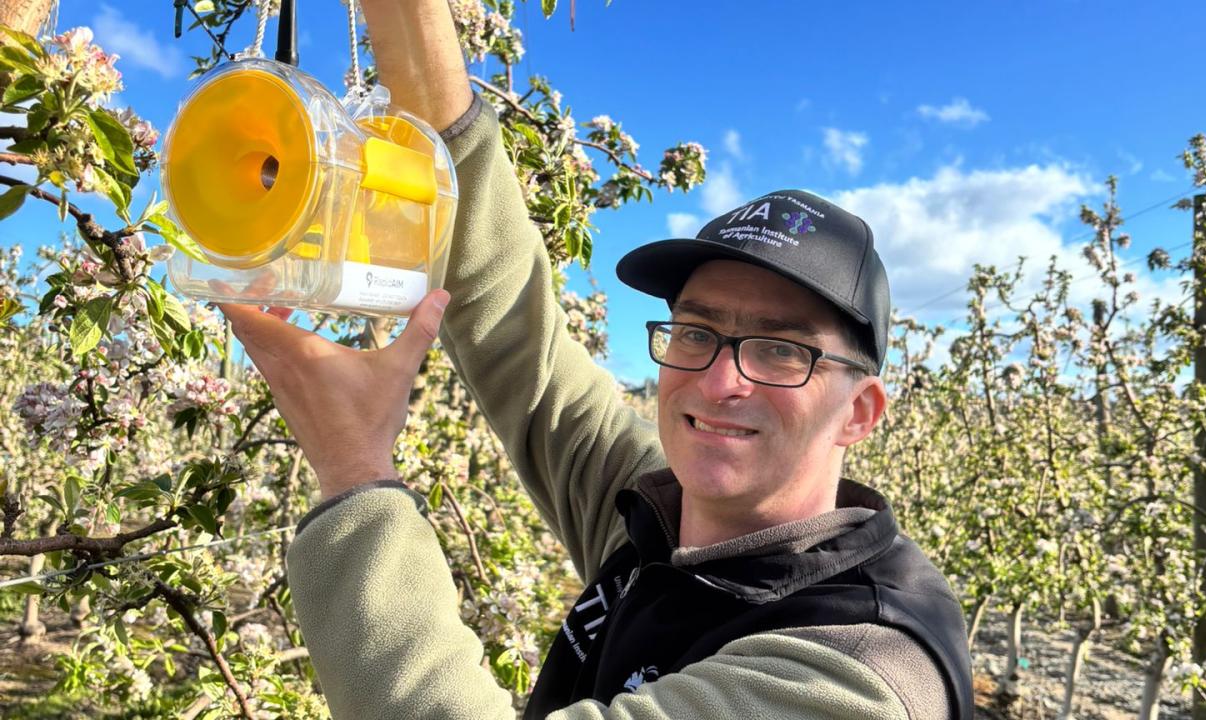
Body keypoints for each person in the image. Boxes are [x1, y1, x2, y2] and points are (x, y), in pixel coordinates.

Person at [219, 0, 974, 718]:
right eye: (696, 332)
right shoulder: (661, 514)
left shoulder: (864, 671)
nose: (719, 381)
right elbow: (514, 329)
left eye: (780, 351)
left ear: (860, 412)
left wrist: (355, 472)